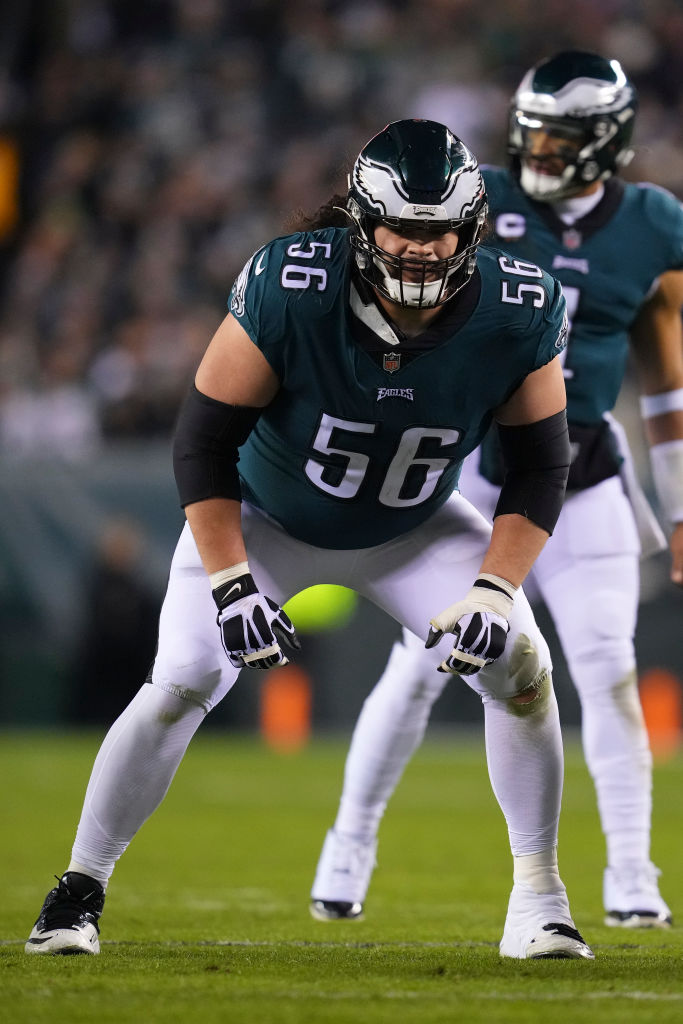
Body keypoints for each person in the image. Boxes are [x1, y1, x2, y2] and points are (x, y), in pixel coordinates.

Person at [25, 117, 593, 962]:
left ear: (470, 231)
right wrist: (228, 581)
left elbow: (540, 468)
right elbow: (203, 443)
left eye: (439, 232)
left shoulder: (516, 307)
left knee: (518, 663)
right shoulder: (293, 285)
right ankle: (76, 892)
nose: (420, 250)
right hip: (265, 521)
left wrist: (493, 588)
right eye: (403, 227)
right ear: (361, 223)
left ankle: (539, 900)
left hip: (412, 528)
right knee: (181, 677)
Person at [309, 52, 683, 931]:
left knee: (608, 670)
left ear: (606, 142)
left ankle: (631, 874)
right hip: (474, 469)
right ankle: (347, 845)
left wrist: (678, 503)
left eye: (560, 135)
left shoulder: (654, 224)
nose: (539, 148)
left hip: (583, 467)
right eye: (533, 129)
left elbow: (666, 386)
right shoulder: (482, 202)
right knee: (419, 668)